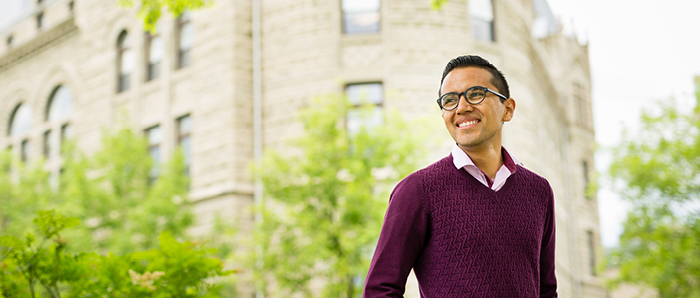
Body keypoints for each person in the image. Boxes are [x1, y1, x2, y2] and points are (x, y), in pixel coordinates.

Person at [362, 55, 557, 298]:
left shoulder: (539, 192)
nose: (462, 107)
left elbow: (547, 290)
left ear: (508, 109)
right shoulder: (417, 190)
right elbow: (380, 290)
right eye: (450, 100)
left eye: (476, 94)